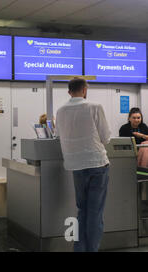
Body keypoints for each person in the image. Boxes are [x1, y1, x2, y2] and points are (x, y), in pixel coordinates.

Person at [55, 77, 111, 252]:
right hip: (97, 164)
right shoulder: (94, 107)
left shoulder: (61, 111)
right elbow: (106, 137)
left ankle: (79, 249)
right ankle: (92, 249)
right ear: (85, 89)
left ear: (69, 91)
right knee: (95, 212)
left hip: (76, 166)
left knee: (82, 210)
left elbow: (58, 135)